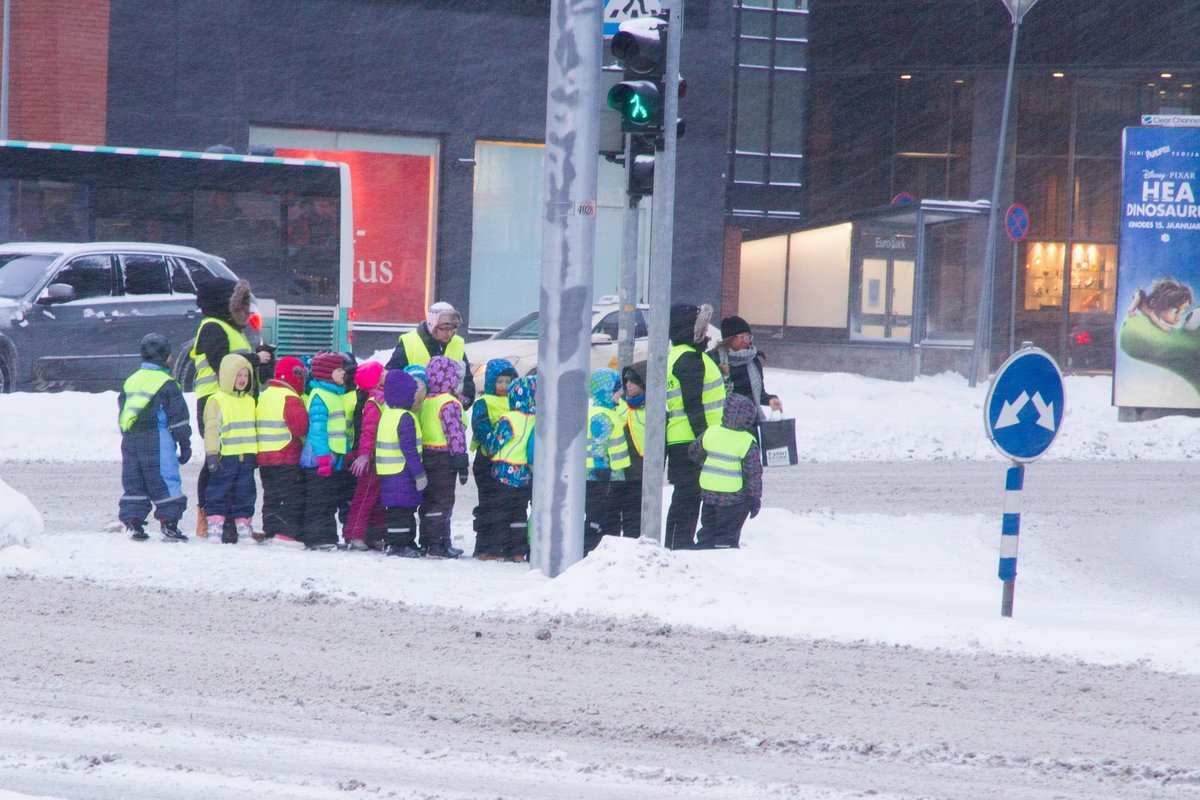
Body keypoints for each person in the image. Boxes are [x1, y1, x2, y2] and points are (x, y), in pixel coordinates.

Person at [190, 273, 272, 539]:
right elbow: (222, 363)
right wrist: (254, 358)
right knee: (217, 464)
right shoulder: (213, 326)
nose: (245, 310)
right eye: (240, 303)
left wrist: (262, 362)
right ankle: (209, 518)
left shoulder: (232, 329)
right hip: (215, 402)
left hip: (236, 405)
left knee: (235, 466)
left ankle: (229, 520)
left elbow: (238, 366)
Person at [117, 333, 192, 542]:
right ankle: (169, 523)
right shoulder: (166, 383)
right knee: (165, 480)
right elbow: (179, 419)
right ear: (166, 357)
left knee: (134, 481)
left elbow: (123, 410)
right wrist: (185, 444)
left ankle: (133, 522)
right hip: (157, 439)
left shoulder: (131, 381)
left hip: (131, 440)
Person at [664, 303, 726, 550]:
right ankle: (678, 545)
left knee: (687, 495)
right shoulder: (689, 358)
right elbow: (693, 404)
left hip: (684, 438)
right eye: (701, 325)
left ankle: (678, 543)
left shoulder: (681, 355)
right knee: (688, 496)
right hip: (692, 440)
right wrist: (703, 439)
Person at [688, 393, 763, 549]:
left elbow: (693, 453)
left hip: (709, 494)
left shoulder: (711, 432)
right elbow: (753, 475)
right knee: (726, 537)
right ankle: (724, 557)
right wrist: (754, 499)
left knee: (707, 530)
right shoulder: (747, 441)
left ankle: (703, 554)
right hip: (733, 499)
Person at [202, 353, 258, 543]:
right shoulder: (217, 400)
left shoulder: (250, 401)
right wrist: (212, 453)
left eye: (246, 375)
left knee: (245, 493)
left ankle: (243, 526)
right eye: (238, 375)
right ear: (227, 376)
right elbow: (212, 429)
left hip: (247, 456)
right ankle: (215, 525)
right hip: (226, 457)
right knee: (218, 491)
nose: (242, 380)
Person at [417, 355, 469, 558]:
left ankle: (426, 541)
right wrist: (461, 460)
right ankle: (440, 543)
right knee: (443, 501)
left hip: (426, 455)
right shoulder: (449, 404)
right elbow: (454, 433)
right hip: (444, 457)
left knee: (428, 500)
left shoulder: (426, 400)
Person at [256, 356, 309, 546]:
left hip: (265, 457)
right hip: (286, 456)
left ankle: (270, 529)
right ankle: (285, 534)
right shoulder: (290, 397)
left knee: (271, 495)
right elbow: (300, 428)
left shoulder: (265, 395)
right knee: (290, 496)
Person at [299, 352, 348, 551]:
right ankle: (316, 537)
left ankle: (328, 536)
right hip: (319, 459)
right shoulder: (320, 396)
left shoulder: (334, 394)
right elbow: (318, 430)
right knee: (318, 500)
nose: (343, 372)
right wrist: (323, 458)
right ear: (327, 373)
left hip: (330, 457)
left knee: (327, 499)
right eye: (338, 369)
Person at [385, 301, 477, 407]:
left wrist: (466, 400)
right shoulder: (409, 342)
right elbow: (391, 376)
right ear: (432, 325)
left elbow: (466, 379)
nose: (448, 333)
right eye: (443, 328)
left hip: (449, 414)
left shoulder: (457, 343)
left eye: (452, 328)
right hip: (417, 413)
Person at [470, 358, 518, 560]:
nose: (504, 386)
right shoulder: (484, 402)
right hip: (487, 458)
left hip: (509, 460)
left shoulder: (517, 401)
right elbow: (480, 427)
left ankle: (503, 545)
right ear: (491, 382)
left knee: (506, 505)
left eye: (508, 382)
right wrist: (493, 443)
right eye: (499, 382)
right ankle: (485, 547)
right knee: (489, 504)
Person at [376, 369, 427, 558]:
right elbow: (409, 449)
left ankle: (406, 542)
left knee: (401, 509)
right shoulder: (405, 417)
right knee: (401, 511)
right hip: (402, 471)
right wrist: (419, 474)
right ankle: (398, 545)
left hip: (389, 471)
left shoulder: (388, 414)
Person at [488, 374, 536, 562]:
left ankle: (498, 548)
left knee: (500, 512)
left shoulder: (509, 418)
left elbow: (496, 441)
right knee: (519, 513)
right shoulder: (535, 419)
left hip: (503, 472)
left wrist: (491, 451)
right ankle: (517, 551)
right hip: (524, 474)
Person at [343, 360, 388, 550]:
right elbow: (368, 431)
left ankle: (375, 534)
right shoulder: (373, 402)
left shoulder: (382, 398)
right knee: (365, 496)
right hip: (371, 458)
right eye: (382, 371)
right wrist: (364, 455)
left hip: (381, 456)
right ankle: (354, 533)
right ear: (375, 380)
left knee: (378, 498)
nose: (386, 372)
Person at [584, 368, 630, 554]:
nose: (621, 394)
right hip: (603, 477)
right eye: (617, 390)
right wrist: (602, 468)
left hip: (608, 476)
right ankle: (593, 547)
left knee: (606, 515)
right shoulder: (602, 415)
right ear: (605, 392)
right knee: (602, 515)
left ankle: (601, 547)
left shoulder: (605, 412)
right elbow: (598, 445)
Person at [708, 315, 782, 419]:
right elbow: (710, 394)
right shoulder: (713, 359)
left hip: (749, 420)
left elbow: (758, 394)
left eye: (748, 337)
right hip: (723, 420)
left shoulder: (753, 360)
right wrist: (722, 374)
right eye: (741, 337)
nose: (745, 341)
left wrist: (770, 399)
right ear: (729, 339)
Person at [617, 365, 646, 539]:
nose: (628, 385)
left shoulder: (655, 409)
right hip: (621, 471)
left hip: (641, 471)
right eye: (626, 381)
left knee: (635, 515)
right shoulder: (619, 405)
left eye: (633, 381)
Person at [1127, 279, 1194, 332]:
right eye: (1176, 312)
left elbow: (1173, 321)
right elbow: (1152, 315)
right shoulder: (1153, 310)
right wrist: (1163, 327)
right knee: (1139, 294)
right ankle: (1130, 310)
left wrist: (1180, 311)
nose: (1178, 318)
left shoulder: (1162, 310)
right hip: (1140, 296)